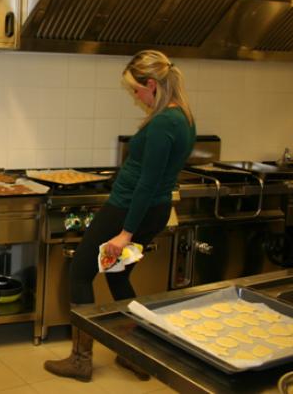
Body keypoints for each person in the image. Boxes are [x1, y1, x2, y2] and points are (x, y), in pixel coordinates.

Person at [44, 50, 196, 382]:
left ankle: (81, 360)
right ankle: (135, 355)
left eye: (136, 90)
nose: (136, 96)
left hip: (128, 210)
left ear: (152, 84)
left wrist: (125, 232)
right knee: (117, 275)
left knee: (80, 272)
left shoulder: (163, 123)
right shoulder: (183, 117)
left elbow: (147, 183)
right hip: (153, 211)